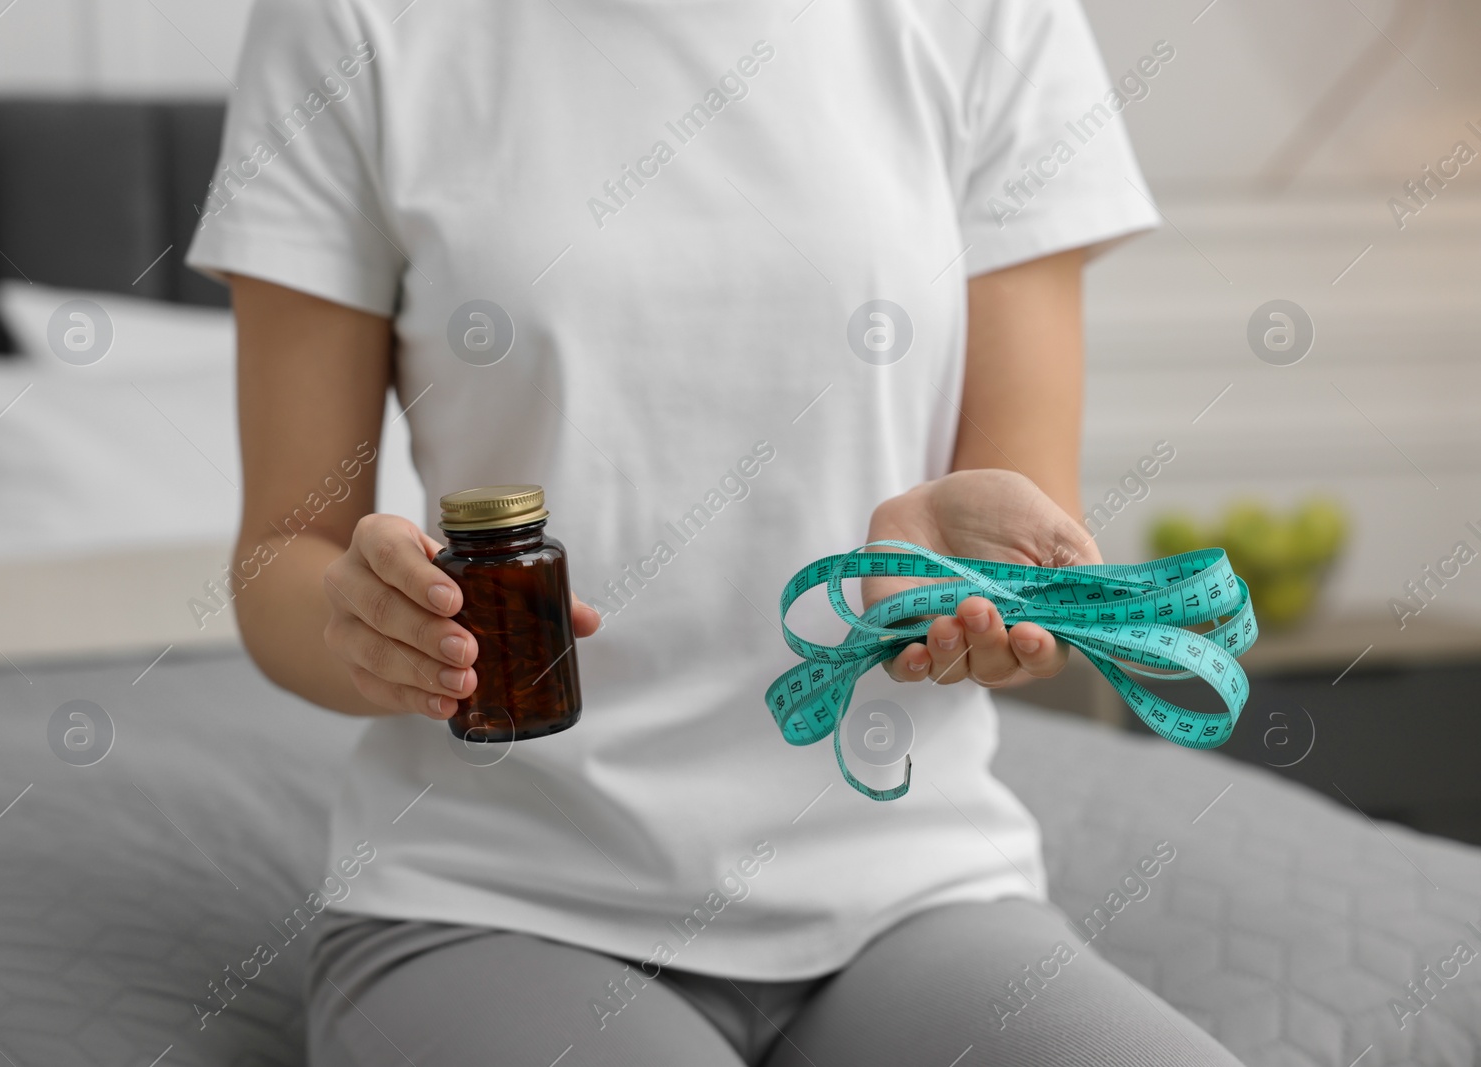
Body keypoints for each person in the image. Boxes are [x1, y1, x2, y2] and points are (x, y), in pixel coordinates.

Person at [188, 0, 1244, 1063]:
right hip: (493, 899)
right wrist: (359, 620)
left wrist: (987, 593)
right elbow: (284, 552)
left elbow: (1036, 564)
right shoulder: (349, 21)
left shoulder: (992, 19)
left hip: (916, 895)